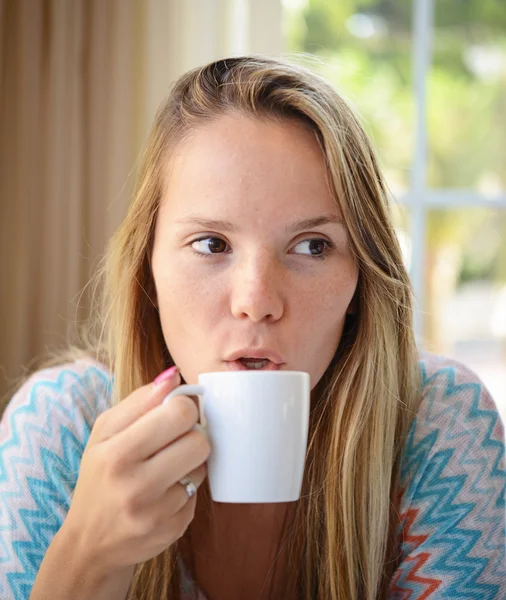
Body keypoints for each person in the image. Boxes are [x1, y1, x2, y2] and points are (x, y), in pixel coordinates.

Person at [0, 55, 504, 600]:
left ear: (361, 279)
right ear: (148, 265)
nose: (257, 301)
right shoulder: (59, 431)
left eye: (313, 246)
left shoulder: (439, 426)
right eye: (211, 244)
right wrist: (89, 557)